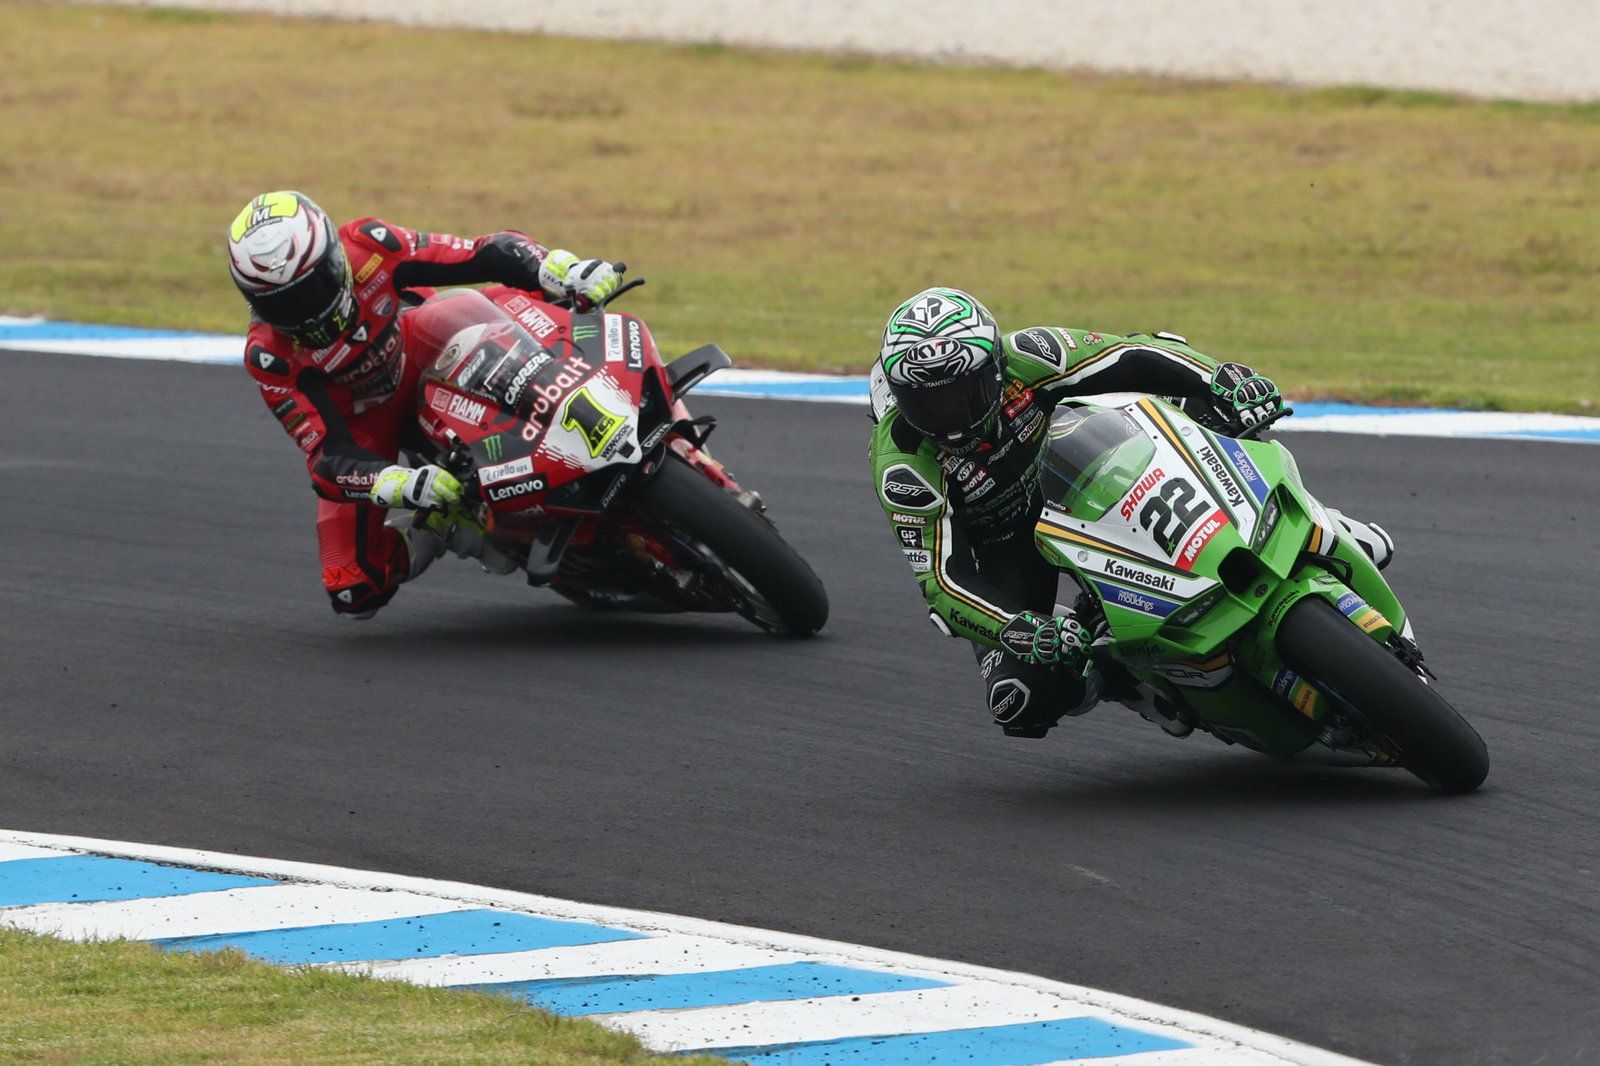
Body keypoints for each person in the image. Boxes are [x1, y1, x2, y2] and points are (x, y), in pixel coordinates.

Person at [868, 287, 1393, 739]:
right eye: (928, 402)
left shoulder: (1030, 354)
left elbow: (1134, 351)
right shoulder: (902, 465)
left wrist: (1222, 379)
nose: (949, 417)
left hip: (1083, 466)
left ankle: (1318, 521)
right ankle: (1127, 679)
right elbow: (941, 581)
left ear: (995, 367)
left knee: (1216, 408)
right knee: (1021, 701)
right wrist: (1018, 629)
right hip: (1006, 544)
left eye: (962, 393)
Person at [227, 190, 736, 619]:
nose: (302, 312)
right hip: (367, 420)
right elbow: (326, 455)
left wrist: (561, 269)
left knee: (568, 306)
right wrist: (396, 483)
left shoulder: (370, 247)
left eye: (310, 289)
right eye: (278, 303)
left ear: (335, 259)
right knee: (354, 587)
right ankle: (455, 527)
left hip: (429, 338)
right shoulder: (269, 355)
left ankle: (682, 442)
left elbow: (480, 253)